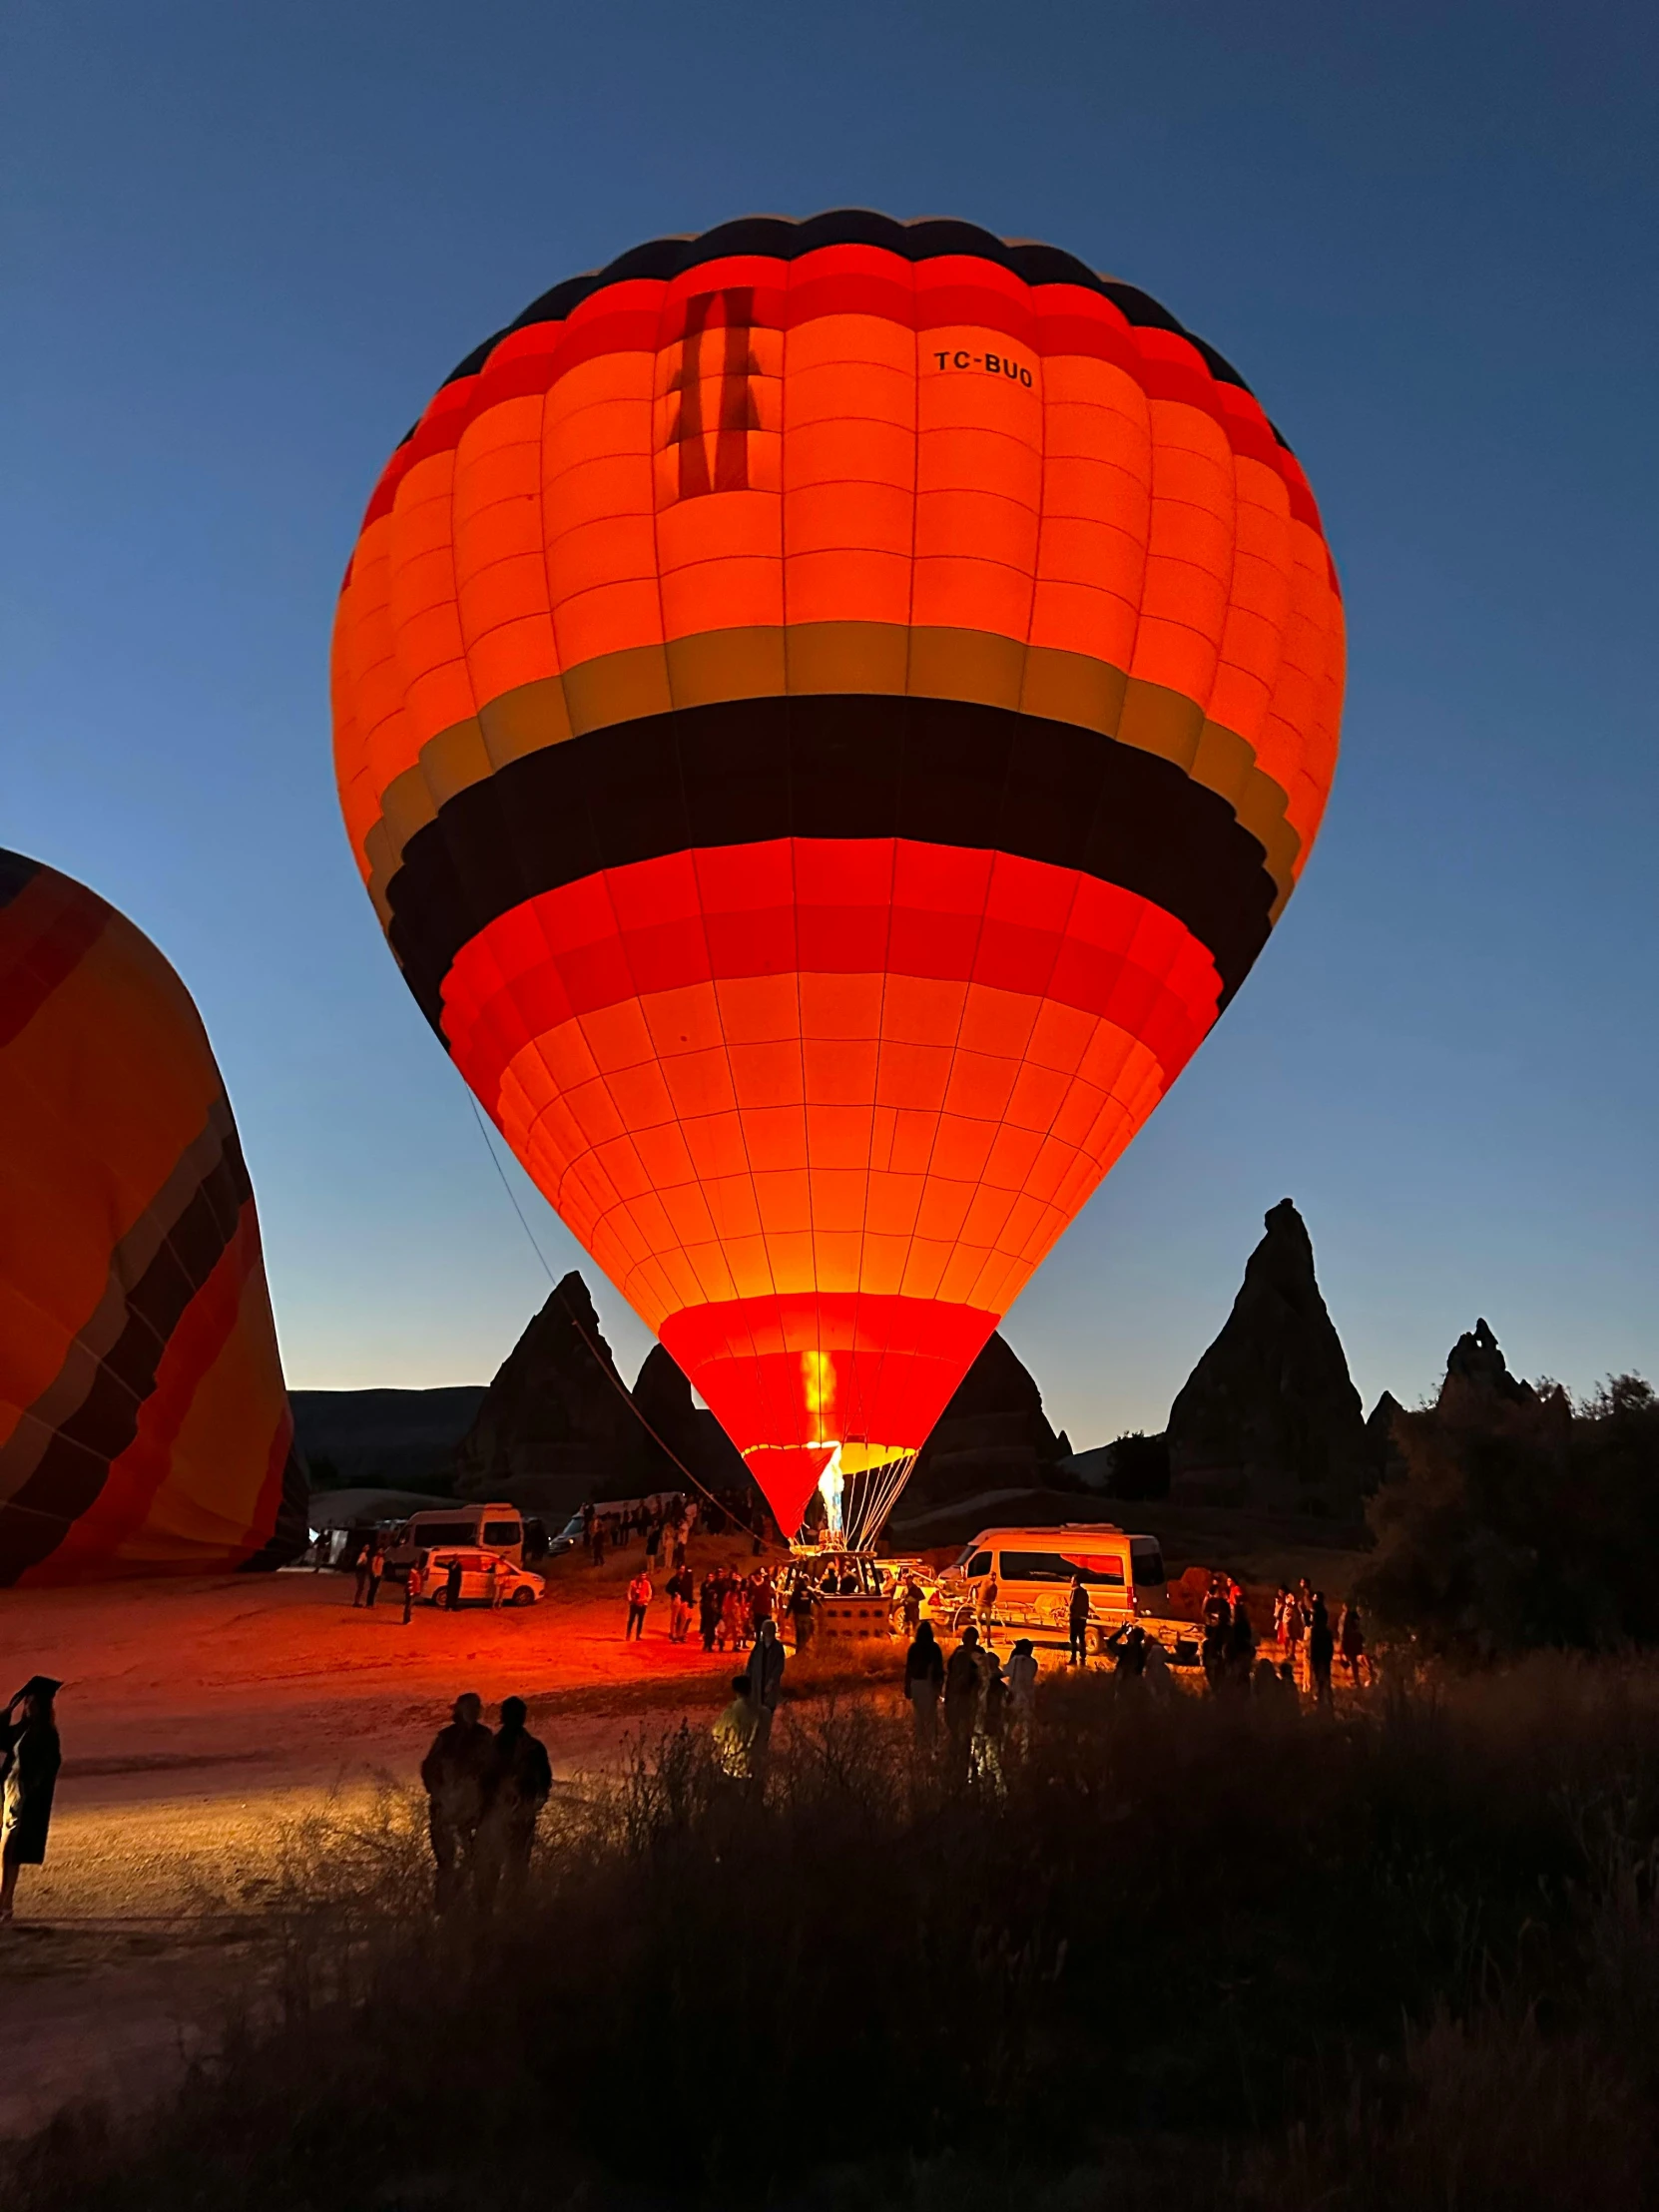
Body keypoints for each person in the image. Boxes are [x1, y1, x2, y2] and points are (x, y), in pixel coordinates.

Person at [418, 1693, 494, 1913]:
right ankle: (444, 1909)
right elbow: (429, 1769)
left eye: (476, 1707)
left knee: (475, 1860)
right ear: (460, 1710)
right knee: (446, 1863)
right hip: (446, 1809)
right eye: (470, 1707)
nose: (474, 1711)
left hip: (474, 1811)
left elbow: (492, 1771)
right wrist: (440, 1794)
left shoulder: (483, 1737)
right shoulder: (447, 1738)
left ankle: (472, 1906)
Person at [477, 1697, 552, 1912]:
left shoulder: (531, 1748)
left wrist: (531, 1805)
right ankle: (495, 1913)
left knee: (514, 1866)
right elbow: (482, 1781)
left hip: (518, 1817)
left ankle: (509, 1912)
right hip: (497, 1816)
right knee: (497, 1867)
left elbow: (544, 1783)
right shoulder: (497, 1747)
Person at [1, 1679, 62, 1926]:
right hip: (10, 1790)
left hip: (22, 1794)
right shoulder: (24, 1729)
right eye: (27, 1703)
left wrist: (30, 1787)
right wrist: (7, 1712)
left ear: (43, 1706)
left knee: (9, 1851)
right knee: (7, 1851)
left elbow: (51, 1764)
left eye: (33, 1703)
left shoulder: (46, 1733)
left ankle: (4, 1904)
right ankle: (5, 1903)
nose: (29, 1707)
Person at [943, 1627, 985, 1774]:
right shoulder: (974, 1654)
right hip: (966, 1699)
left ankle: (960, 1761)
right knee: (964, 1732)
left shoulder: (963, 1654)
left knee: (961, 1732)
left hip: (964, 1698)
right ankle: (964, 1761)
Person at [744, 1619, 787, 1755]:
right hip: (757, 1687)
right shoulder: (759, 1647)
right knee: (756, 1715)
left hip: (769, 1689)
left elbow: (779, 1667)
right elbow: (750, 1665)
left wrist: (771, 1682)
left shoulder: (777, 1648)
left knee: (767, 1715)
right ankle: (755, 1742)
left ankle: (764, 1742)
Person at [904, 1620, 945, 1750]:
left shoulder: (914, 1648)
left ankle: (919, 1744)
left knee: (918, 1716)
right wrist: (939, 1688)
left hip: (916, 1684)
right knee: (931, 1717)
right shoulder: (934, 1648)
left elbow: (909, 1669)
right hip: (929, 1685)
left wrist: (907, 1687)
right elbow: (939, 1669)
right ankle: (932, 1745)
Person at [713, 1675, 760, 1781]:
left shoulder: (731, 1711)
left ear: (735, 1690)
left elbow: (716, 1733)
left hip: (733, 1764)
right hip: (754, 1765)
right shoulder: (759, 1711)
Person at [1005, 1637, 1038, 1746]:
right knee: (1026, 1728)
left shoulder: (1015, 1660)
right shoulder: (1033, 1662)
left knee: (1010, 1724)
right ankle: (1025, 1752)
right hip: (1028, 1698)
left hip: (1014, 1696)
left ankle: (1007, 1745)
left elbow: (1006, 1671)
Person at [1308, 1593, 1336, 1707]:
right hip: (1325, 1657)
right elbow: (1330, 1646)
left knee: (1320, 1679)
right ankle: (1328, 1700)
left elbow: (1314, 1646)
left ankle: (1321, 1700)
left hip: (1319, 1657)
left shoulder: (1315, 1631)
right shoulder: (1327, 1631)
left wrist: (1312, 1657)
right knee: (1326, 1678)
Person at [1339, 1601, 1371, 1687]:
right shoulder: (1352, 1615)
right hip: (1354, 1641)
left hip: (1351, 1641)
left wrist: (1343, 1642)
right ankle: (1363, 1677)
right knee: (1356, 1659)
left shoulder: (1349, 1616)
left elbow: (1345, 1630)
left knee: (1355, 1660)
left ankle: (1361, 1678)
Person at [1067, 1574, 1091, 1666]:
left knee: (1073, 1638)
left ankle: (1073, 1658)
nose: (1071, 1582)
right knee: (1081, 1637)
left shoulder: (1075, 1591)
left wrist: (1070, 1612)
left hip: (1075, 1618)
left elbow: (1072, 1604)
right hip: (1083, 1618)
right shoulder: (1085, 1592)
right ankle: (1083, 1657)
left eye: (1072, 1580)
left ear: (1076, 1581)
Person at [667, 1564, 694, 1643]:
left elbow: (689, 1591)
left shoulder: (686, 1580)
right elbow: (667, 1589)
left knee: (684, 1618)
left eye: (683, 1569)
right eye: (681, 1569)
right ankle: (673, 1634)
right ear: (677, 1570)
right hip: (676, 1600)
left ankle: (680, 1634)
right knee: (675, 1618)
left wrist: (690, 1601)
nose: (682, 1570)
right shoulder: (674, 1579)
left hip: (685, 1601)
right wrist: (674, 1593)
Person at [789, 1575, 816, 1654]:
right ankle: (804, 1651)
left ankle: (799, 1651)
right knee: (806, 1634)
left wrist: (787, 1614)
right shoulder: (809, 1591)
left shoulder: (795, 1592)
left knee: (799, 1634)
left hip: (798, 1616)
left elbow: (791, 1604)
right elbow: (816, 1600)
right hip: (807, 1615)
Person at [625, 1568, 653, 1641]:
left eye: (644, 1575)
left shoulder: (647, 1583)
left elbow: (650, 1593)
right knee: (631, 1620)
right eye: (641, 1575)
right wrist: (630, 1600)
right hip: (634, 1604)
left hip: (642, 1604)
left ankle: (638, 1635)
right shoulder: (633, 1583)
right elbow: (629, 1592)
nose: (643, 1577)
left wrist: (646, 1600)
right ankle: (628, 1635)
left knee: (640, 1620)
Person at [699, 1570, 722, 1653]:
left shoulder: (711, 1603)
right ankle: (707, 1646)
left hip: (711, 1622)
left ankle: (707, 1646)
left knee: (710, 1634)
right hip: (710, 1622)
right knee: (710, 1634)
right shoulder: (709, 1604)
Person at [364, 1541, 386, 1608]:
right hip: (374, 1575)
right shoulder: (375, 1558)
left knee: (375, 1590)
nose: (381, 1551)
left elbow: (381, 1567)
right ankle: (368, 1603)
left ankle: (372, 1603)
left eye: (382, 1550)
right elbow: (373, 1567)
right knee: (372, 1589)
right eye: (380, 1550)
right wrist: (374, 1574)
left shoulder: (382, 1559)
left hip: (378, 1575)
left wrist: (380, 1575)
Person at [402, 1557, 422, 1624]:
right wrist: (411, 1591)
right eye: (416, 1564)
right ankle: (406, 1620)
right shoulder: (412, 1572)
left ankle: (408, 1619)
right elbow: (410, 1582)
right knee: (408, 1606)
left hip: (414, 1591)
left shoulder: (416, 1572)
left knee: (410, 1606)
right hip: (411, 1592)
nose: (417, 1565)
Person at [351, 1541, 372, 1607]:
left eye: (368, 1547)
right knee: (360, 1587)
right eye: (366, 1547)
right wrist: (364, 1564)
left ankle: (357, 1601)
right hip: (361, 1572)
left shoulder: (364, 1554)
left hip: (361, 1572)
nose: (367, 1548)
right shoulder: (363, 1554)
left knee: (361, 1587)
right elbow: (358, 1563)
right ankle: (356, 1602)